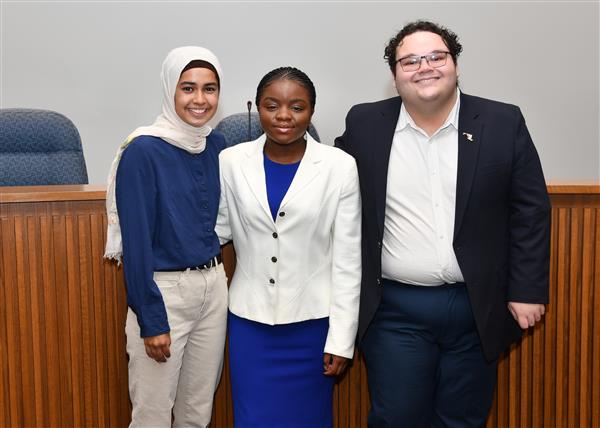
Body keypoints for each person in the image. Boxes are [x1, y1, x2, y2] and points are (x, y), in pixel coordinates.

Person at [335, 20, 551, 428]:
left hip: (478, 307)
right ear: (394, 74)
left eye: (436, 56)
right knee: (396, 417)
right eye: (410, 60)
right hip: (395, 310)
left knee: (462, 419)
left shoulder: (503, 122)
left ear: (455, 64)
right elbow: (328, 183)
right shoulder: (365, 124)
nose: (424, 67)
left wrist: (528, 289)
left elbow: (530, 211)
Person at [216, 67, 361, 428]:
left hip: (313, 328)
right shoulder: (230, 162)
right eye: (272, 105)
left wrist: (341, 339)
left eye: (297, 107)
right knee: (253, 419)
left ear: (311, 111)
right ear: (257, 107)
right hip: (250, 326)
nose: (284, 116)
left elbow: (347, 260)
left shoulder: (339, 167)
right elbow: (216, 229)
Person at [104, 46, 228, 428]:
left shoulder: (216, 145)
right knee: (152, 417)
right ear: (170, 91)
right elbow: (137, 244)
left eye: (210, 89)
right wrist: (152, 320)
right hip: (164, 293)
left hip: (213, 287)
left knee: (197, 413)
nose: (200, 99)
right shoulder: (142, 150)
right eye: (188, 88)